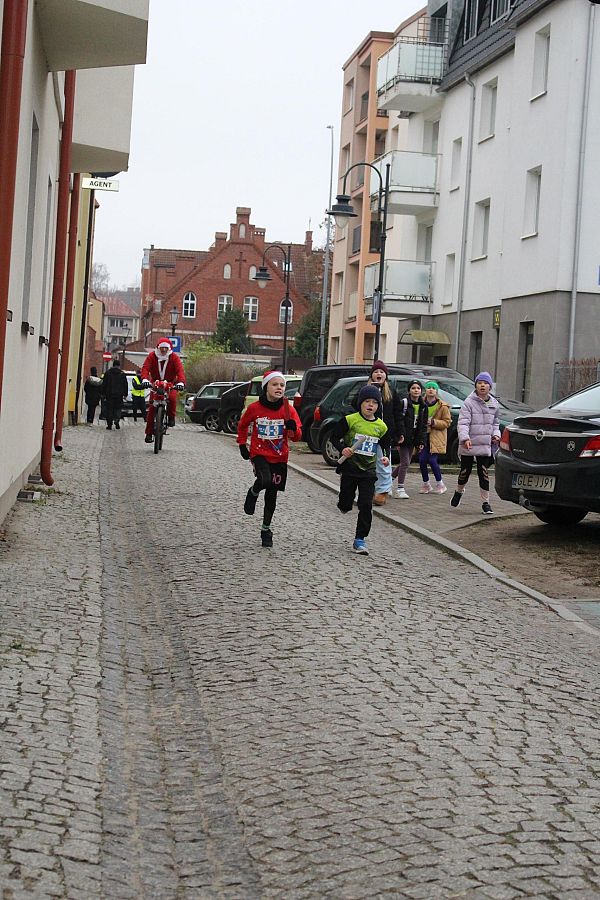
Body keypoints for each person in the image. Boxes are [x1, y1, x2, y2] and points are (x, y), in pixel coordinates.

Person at [237, 370, 302, 548]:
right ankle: (253, 492)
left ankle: (266, 529)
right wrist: (242, 444)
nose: (279, 388)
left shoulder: (288, 410)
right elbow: (242, 425)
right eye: (274, 384)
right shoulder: (255, 408)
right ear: (266, 387)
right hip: (259, 454)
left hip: (280, 457)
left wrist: (293, 428)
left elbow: (296, 437)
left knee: (272, 495)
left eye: (282, 385)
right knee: (264, 480)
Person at [331, 384, 390, 555]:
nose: (370, 405)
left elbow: (385, 445)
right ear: (360, 403)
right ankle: (344, 504)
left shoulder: (381, 426)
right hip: (350, 468)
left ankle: (360, 539)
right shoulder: (350, 420)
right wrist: (343, 449)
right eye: (367, 401)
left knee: (366, 504)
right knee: (346, 501)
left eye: (374, 402)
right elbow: (334, 437)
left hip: (368, 471)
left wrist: (385, 457)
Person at [451, 371, 501, 514]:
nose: (482, 386)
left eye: (485, 383)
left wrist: (496, 435)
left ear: (490, 386)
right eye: (479, 383)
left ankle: (486, 503)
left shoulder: (494, 404)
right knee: (465, 471)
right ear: (476, 386)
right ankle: (459, 491)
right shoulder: (469, 402)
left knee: (483, 472)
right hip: (470, 442)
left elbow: (496, 424)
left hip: (485, 444)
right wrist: (465, 438)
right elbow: (463, 423)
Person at [367, 361, 402, 507]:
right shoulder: (366, 390)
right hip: (368, 433)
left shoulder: (391, 392)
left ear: (386, 376)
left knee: (384, 463)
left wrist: (400, 432)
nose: (379, 374)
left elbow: (397, 413)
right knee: (368, 464)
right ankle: (369, 490)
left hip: (385, 434)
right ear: (371, 375)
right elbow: (355, 404)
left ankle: (383, 491)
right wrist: (370, 390)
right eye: (376, 371)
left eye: (381, 372)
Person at [141, 337, 185, 443]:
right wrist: (145, 379)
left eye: (166, 348)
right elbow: (145, 368)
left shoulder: (174, 357)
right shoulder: (152, 356)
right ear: (158, 348)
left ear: (169, 348)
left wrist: (181, 382)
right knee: (152, 408)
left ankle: (171, 417)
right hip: (156, 384)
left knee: (172, 399)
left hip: (170, 384)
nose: (164, 350)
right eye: (162, 348)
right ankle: (149, 433)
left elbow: (180, 371)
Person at [393, 379, 427, 499]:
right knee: (405, 463)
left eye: (418, 388)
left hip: (414, 438)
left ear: (421, 391)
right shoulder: (404, 403)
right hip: (403, 437)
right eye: (413, 388)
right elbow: (398, 420)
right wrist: (399, 435)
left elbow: (423, 425)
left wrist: (421, 441)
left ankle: (388, 480)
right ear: (409, 391)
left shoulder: (423, 406)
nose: (416, 390)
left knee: (405, 462)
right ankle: (400, 488)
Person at [418, 380, 452, 494]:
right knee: (422, 460)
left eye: (433, 388)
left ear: (436, 391)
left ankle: (440, 483)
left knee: (432, 461)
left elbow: (447, 422)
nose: (431, 390)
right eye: (429, 388)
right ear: (425, 390)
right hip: (423, 436)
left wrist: (434, 422)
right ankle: (426, 484)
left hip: (436, 437)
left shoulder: (442, 406)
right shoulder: (421, 404)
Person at [101, 359, 128, 430]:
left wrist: (103, 393)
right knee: (118, 409)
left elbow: (104, 384)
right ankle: (117, 420)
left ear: (113, 365)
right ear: (119, 366)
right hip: (119, 395)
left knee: (109, 409)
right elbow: (125, 385)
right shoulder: (122, 374)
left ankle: (109, 424)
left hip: (109, 395)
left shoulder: (107, 373)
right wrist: (125, 394)